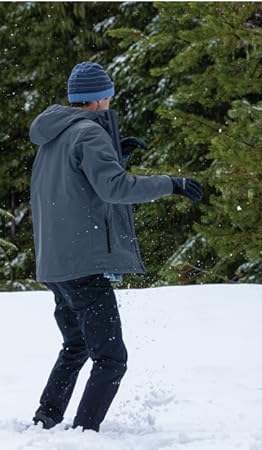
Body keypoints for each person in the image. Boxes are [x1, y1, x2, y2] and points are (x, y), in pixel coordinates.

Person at [29, 61, 203, 432]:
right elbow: (115, 189)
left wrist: (115, 151)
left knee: (76, 345)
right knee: (111, 358)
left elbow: (76, 182)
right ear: (100, 97)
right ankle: (83, 433)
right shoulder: (88, 135)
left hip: (56, 264)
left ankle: (47, 418)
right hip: (83, 264)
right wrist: (172, 183)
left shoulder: (55, 135)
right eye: (109, 93)